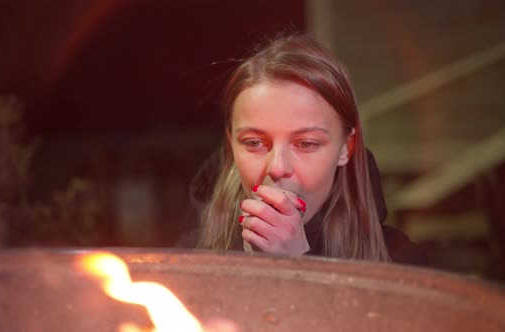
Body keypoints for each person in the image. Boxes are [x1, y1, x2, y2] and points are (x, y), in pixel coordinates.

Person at [181, 32, 427, 266]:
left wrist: (297, 266)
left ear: (345, 148)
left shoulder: (399, 263)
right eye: (254, 143)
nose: (277, 168)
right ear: (232, 144)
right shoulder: (188, 258)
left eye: (306, 143)